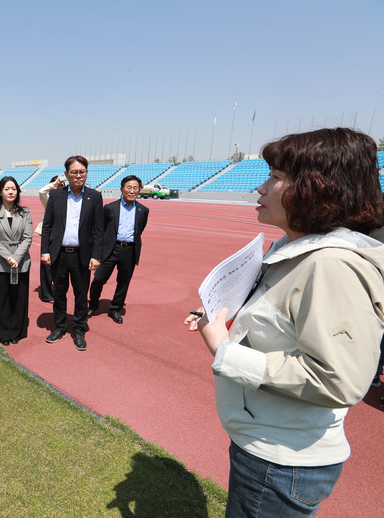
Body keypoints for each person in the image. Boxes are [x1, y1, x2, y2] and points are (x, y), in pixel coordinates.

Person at [185, 128, 384, 517]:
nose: (261, 187)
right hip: (269, 447)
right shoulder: (296, 248)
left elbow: (338, 379)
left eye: (275, 177)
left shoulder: (331, 265)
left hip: (281, 462)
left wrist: (222, 349)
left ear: (316, 187)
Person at [40, 155, 104, 351]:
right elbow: (47, 226)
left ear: (86, 173)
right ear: (66, 174)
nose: (78, 175)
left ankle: (78, 329)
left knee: (81, 294)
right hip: (59, 254)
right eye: (74, 172)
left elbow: (98, 229)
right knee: (59, 293)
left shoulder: (95, 196)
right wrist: (45, 251)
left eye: (82, 172)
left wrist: (96, 255)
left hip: (82, 255)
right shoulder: (56, 196)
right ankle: (60, 327)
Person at [88, 175, 149, 324]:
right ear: (122, 189)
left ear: (139, 190)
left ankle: (115, 308)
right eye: (129, 187)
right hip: (110, 249)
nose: (132, 191)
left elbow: (139, 230)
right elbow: (100, 230)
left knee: (123, 282)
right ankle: (93, 304)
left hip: (129, 251)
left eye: (135, 188)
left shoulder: (143, 210)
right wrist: (97, 251)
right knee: (98, 279)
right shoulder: (110, 208)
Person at [0, 176, 33, 346]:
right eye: (7, 189)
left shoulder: (25, 212)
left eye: (13, 188)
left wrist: (17, 257)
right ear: (0, 192)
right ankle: (2, 333)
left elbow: (28, 237)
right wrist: (8, 257)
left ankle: (16, 332)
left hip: (21, 262)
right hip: (0, 262)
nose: (11, 192)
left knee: (18, 299)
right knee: (1, 300)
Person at [35, 175, 64, 303]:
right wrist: (54, 185)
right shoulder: (49, 199)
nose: (60, 186)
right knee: (46, 264)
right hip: (49, 235)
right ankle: (46, 294)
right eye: (57, 184)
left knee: (60, 264)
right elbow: (42, 192)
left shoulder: (67, 198)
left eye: (62, 184)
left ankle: (59, 290)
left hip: (62, 236)